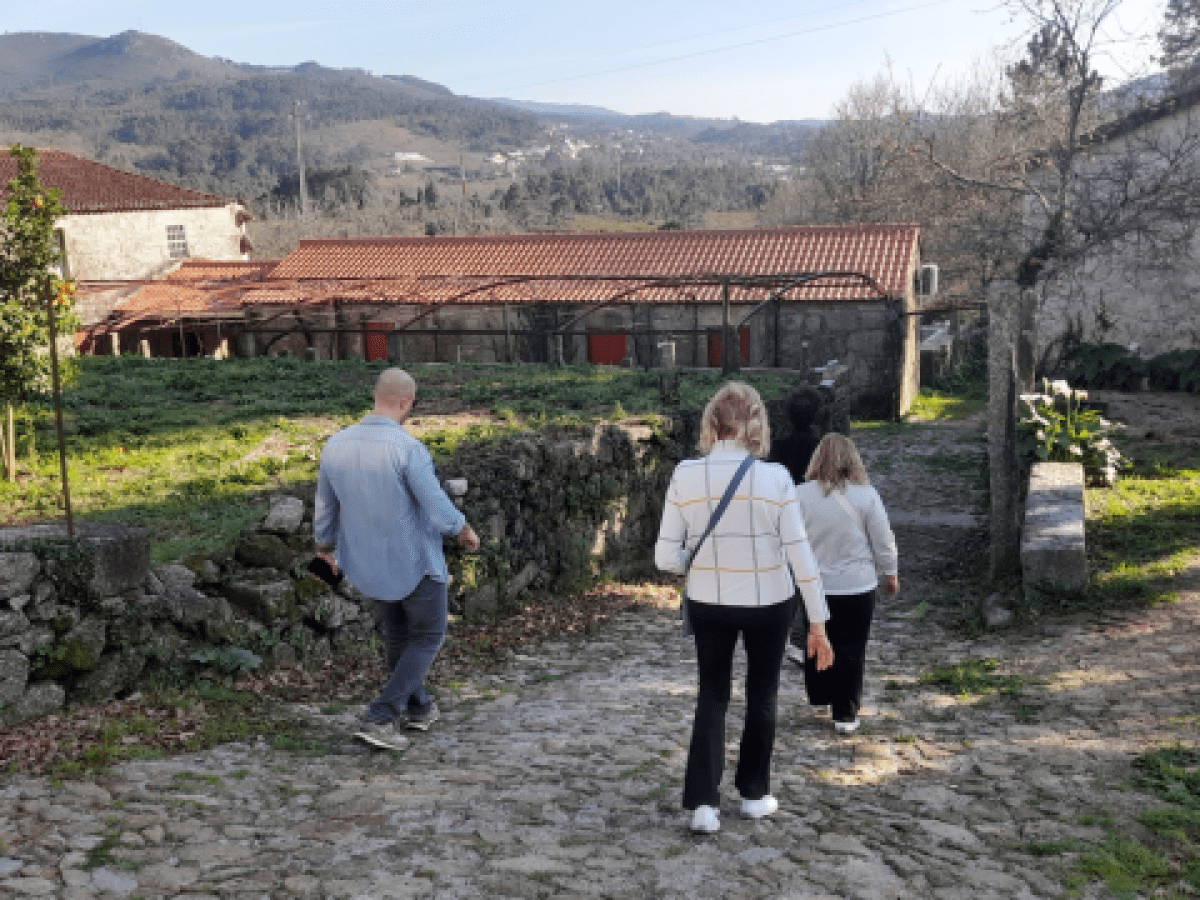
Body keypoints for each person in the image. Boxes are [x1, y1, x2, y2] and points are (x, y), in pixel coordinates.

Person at [655, 381, 833, 835]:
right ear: (757, 425)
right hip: (769, 601)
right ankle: (754, 795)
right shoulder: (774, 478)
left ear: (711, 423)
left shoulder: (685, 474)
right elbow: (801, 555)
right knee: (763, 694)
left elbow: (664, 558)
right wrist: (818, 621)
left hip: (709, 600)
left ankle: (703, 806)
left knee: (712, 696)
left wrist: (697, 560)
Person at [314, 368, 479, 751]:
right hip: (414, 558)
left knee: (398, 635)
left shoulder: (334, 445)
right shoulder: (406, 447)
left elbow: (325, 507)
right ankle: (381, 715)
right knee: (428, 635)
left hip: (366, 561)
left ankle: (419, 707)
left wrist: (324, 549)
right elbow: (434, 500)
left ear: (376, 395)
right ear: (406, 402)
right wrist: (461, 528)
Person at [792, 433, 898, 734]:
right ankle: (845, 712)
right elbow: (882, 539)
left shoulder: (800, 495)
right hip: (857, 585)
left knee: (816, 637)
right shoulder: (866, 496)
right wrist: (890, 573)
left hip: (814, 584)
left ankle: (819, 695)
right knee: (851, 647)